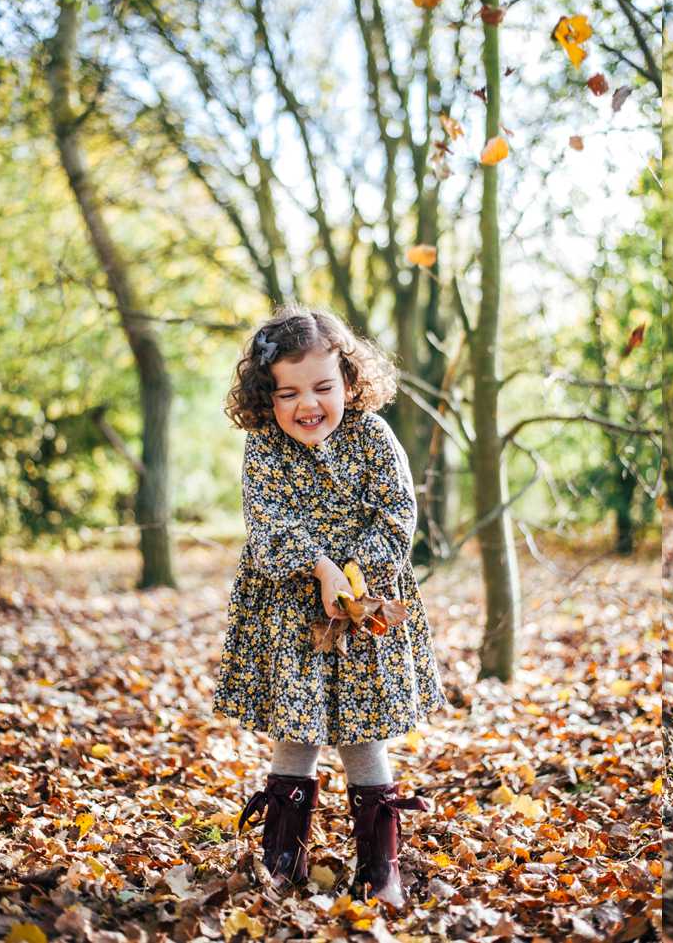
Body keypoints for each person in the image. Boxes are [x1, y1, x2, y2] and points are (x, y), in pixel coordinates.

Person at [217, 307, 443, 906]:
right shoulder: (264, 446)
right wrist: (317, 568)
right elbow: (265, 523)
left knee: (363, 731)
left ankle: (381, 864)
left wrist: (350, 578)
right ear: (267, 396)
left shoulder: (372, 437)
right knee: (298, 727)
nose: (307, 404)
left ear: (349, 381)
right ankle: (283, 858)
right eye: (288, 392)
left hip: (366, 608)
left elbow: (397, 515)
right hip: (289, 610)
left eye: (322, 387)